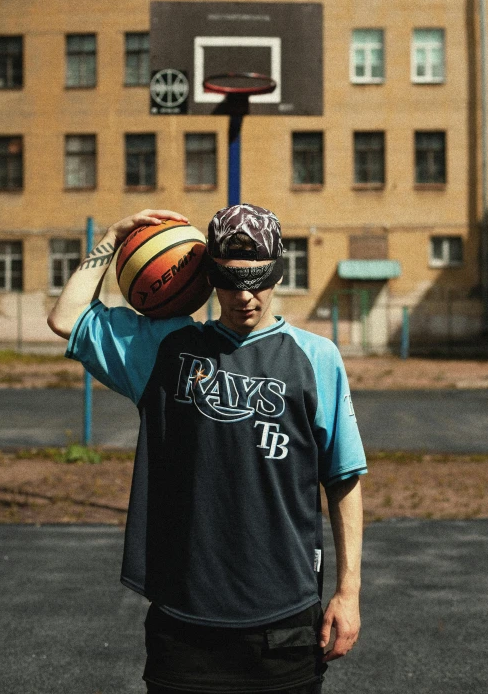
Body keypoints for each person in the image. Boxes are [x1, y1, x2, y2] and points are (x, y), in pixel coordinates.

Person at [47, 203, 367, 694]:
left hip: (282, 617)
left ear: (279, 272)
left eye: (257, 279)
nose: (244, 296)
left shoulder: (316, 357)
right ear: (207, 276)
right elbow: (67, 319)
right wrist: (112, 238)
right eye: (229, 280)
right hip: (184, 618)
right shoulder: (166, 348)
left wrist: (349, 592)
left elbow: (343, 479)